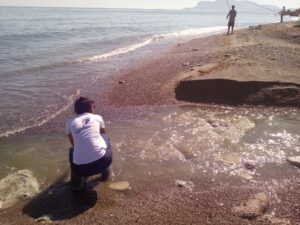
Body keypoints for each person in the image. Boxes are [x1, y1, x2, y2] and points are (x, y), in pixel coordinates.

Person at [66, 96, 112, 191]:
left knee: (72, 150)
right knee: (105, 137)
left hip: (80, 169)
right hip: (103, 161)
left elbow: (73, 144)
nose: (95, 107)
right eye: (93, 105)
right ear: (90, 107)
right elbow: (103, 133)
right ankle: (104, 174)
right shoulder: (97, 117)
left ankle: (76, 183)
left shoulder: (69, 122)